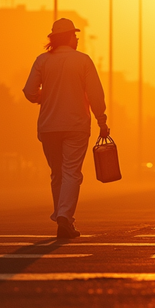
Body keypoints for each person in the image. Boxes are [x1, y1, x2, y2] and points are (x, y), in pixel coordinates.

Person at [22, 18, 108, 239]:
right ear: (69, 37)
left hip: (49, 126)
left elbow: (30, 92)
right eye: (75, 35)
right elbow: (96, 95)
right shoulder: (83, 61)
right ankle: (64, 217)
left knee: (57, 173)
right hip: (76, 126)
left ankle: (62, 215)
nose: (77, 39)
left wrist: (45, 96)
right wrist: (102, 120)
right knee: (71, 172)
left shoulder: (42, 61)